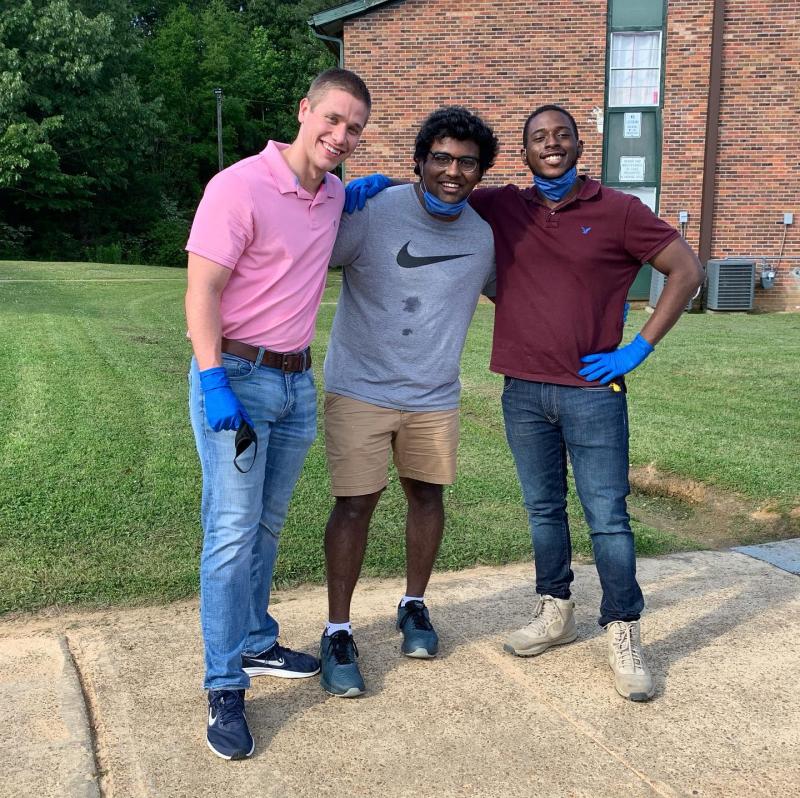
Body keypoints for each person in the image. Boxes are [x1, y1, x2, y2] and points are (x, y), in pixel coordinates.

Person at [345, 104, 703, 703]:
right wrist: (379, 185)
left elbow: (686, 270)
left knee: (608, 518)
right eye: (539, 137)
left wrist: (636, 348)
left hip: (593, 390)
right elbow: (441, 190)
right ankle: (555, 609)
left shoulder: (617, 211)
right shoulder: (503, 206)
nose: (551, 144)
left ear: (579, 146)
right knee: (543, 512)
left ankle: (623, 628)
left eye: (562, 135)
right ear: (524, 152)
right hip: (524, 390)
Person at [184, 68, 371, 759]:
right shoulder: (239, 186)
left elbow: (343, 213)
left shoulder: (333, 195)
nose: (340, 135)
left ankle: (257, 641)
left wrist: (364, 192)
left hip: (295, 386)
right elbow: (202, 289)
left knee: (265, 526)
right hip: (234, 376)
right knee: (230, 534)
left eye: (354, 128)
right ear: (305, 111)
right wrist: (212, 384)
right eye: (332, 119)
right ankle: (224, 686)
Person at [318, 106, 498, 698]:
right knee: (354, 506)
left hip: (434, 395)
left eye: (467, 163)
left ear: (480, 172)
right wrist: (340, 197)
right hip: (360, 388)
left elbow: (526, 291)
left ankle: (414, 605)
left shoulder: (481, 236)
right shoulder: (376, 212)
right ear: (418, 161)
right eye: (441, 158)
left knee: (427, 496)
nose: (453, 171)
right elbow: (309, 253)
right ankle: (338, 630)